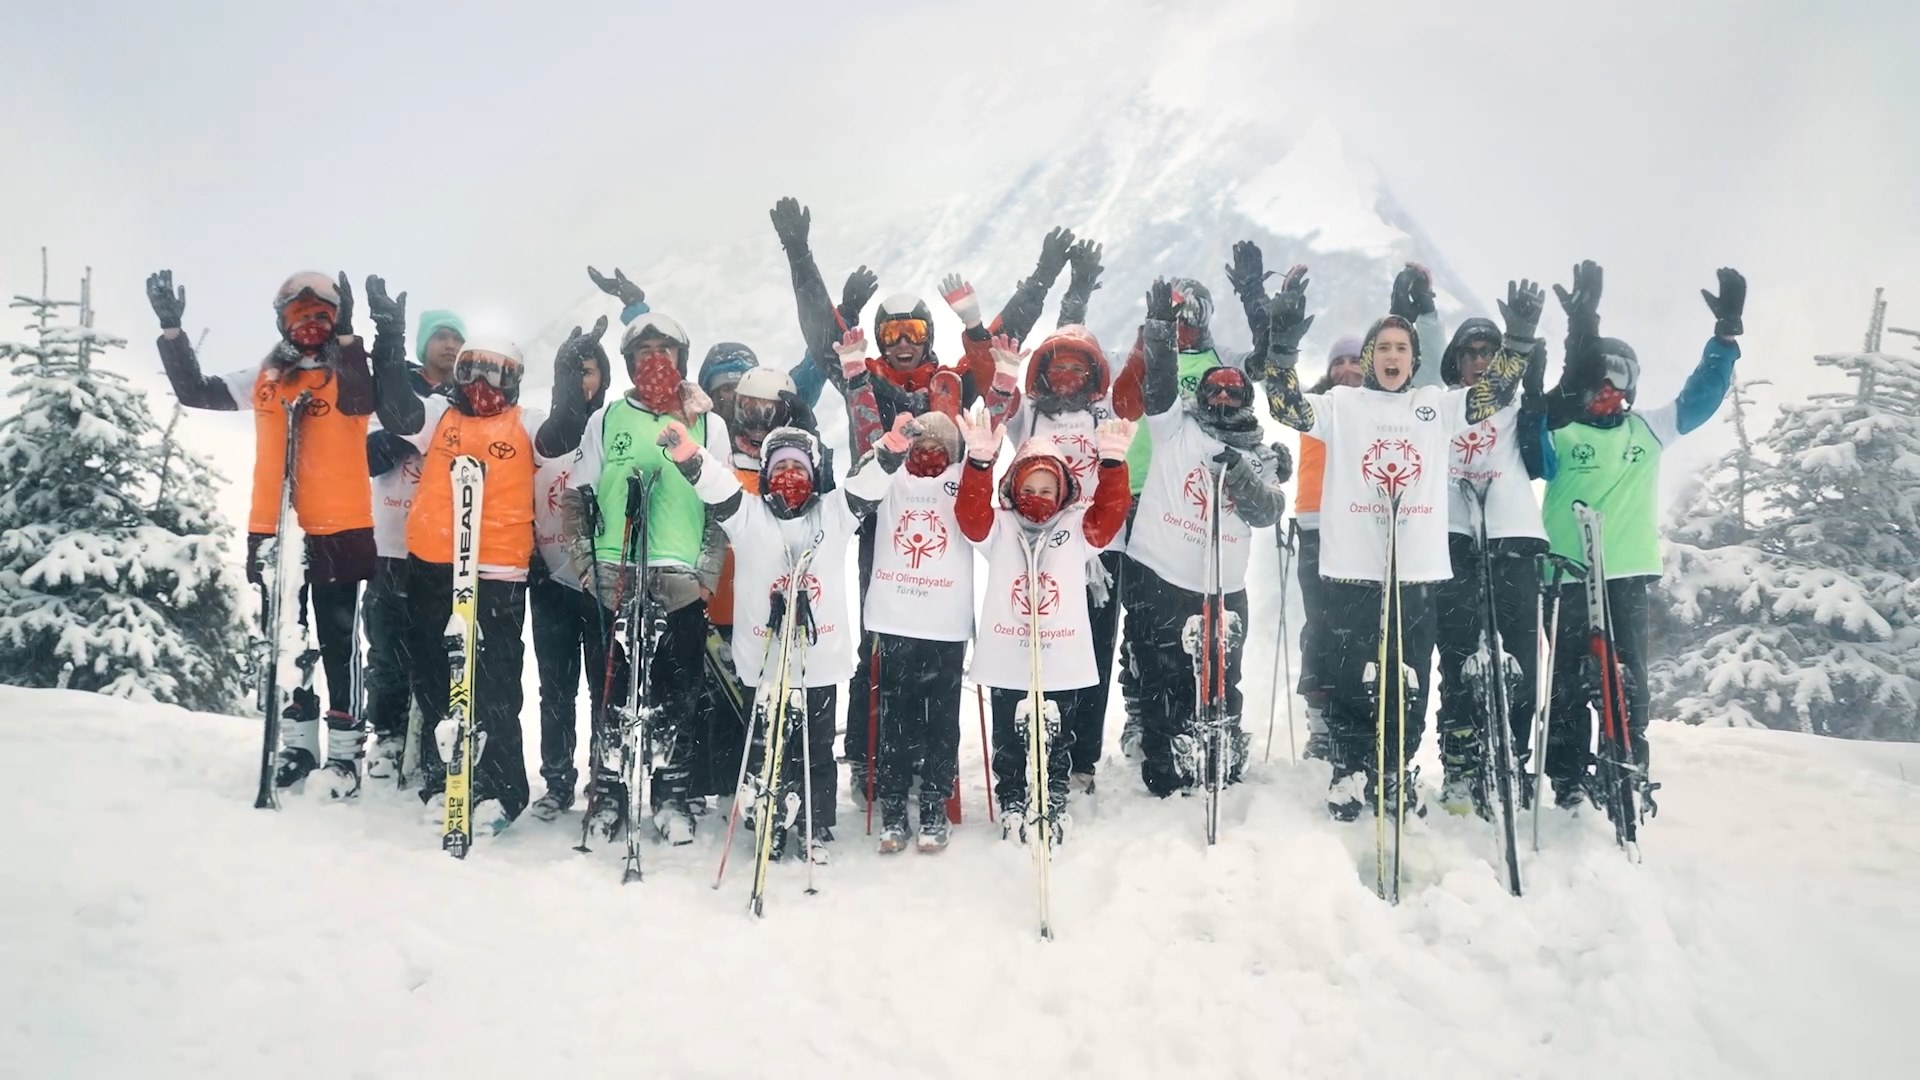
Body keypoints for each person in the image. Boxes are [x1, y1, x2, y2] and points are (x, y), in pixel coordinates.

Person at [1259, 267, 1538, 820]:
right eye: (1382, 347)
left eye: (1401, 348)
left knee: (1407, 675)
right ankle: (1349, 768)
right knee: (1346, 671)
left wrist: (1520, 340)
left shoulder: (1435, 406)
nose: (1391, 356)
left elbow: (1496, 393)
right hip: (1351, 566)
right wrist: (1282, 346)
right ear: (1368, 359)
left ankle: (1396, 769)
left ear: (1413, 359)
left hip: (1415, 570)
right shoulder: (1342, 406)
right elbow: (1284, 405)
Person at [146, 268, 377, 796]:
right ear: (282, 320)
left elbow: (364, 402)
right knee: (285, 643)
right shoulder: (266, 377)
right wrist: (172, 333)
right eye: (300, 315)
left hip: (339, 528)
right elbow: (195, 392)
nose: (311, 325)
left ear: (338, 319)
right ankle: (298, 744)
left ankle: (344, 754)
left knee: (340, 641)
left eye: (323, 315)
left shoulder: (349, 373)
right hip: (274, 526)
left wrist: (350, 340)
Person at [1537, 263, 1745, 809]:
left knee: (1628, 683)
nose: (1610, 389)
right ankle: (1565, 778)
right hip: (1564, 573)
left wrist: (1724, 337)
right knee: (1563, 685)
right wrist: (1576, 336)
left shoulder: (1647, 430)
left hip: (1625, 574)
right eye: (1600, 376)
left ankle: (1626, 769)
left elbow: (1701, 396)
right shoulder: (1560, 430)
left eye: (1622, 377)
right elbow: (1526, 435)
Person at [660, 416, 901, 863]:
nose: (790, 478)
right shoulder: (748, 514)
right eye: (780, 469)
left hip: (819, 658)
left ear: (814, 477)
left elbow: (866, 487)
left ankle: (815, 823)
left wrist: (890, 452)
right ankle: (765, 819)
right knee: (764, 744)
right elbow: (717, 485)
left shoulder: (831, 513)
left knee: (815, 746)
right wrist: (690, 457)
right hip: (764, 659)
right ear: (766, 475)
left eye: (800, 470)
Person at [367, 282, 553, 832]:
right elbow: (395, 409)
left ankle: (501, 788)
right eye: (471, 370)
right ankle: (444, 776)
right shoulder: (437, 417)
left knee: (494, 681)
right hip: (432, 563)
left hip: (496, 569)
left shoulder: (526, 421)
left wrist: (568, 375)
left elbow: (567, 430)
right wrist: (389, 338)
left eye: (495, 373)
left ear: (514, 378)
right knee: (434, 673)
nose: (480, 384)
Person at [554, 310, 731, 845]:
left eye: (666, 352)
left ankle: (673, 796)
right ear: (630, 363)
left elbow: (722, 505)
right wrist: (584, 563)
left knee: (679, 691)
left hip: (679, 578)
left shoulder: (708, 422)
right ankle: (608, 794)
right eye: (645, 353)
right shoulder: (606, 419)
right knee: (612, 691)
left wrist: (706, 574)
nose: (656, 363)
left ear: (681, 358)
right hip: (616, 572)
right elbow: (577, 495)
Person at [1122, 279, 1289, 797]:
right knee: (1162, 671)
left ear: (1244, 398)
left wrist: (1240, 472)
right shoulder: (1176, 425)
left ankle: (1219, 749)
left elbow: (1267, 512)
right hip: (1163, 573)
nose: (1218, 395)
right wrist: (1159, 329)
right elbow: (1160, 382)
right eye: (1212, 389)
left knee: (1221, 673)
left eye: (1231, 391)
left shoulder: (1258, 452)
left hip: (1222, 583)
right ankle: (1165, 758)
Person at [956, 396, 1134, 845]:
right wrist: (979, 465)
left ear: (1063, 493)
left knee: (1058, 729)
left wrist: (1111, 464)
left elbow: (1109, 517)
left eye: (1047, 491)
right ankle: (1013, 793)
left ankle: (1053, 788)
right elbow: (971, 520)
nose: (1037, 500)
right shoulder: (1000, 528)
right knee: (1009, 732)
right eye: (1029, 491)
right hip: (1008, 651)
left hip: (1060, 653)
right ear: (1014, 489)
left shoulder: (1075, 528)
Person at [997, 241, 1125, 792]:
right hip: (1032, 547)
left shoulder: (1106, 409)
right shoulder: (1029, 415)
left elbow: (1077, 342)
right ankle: (1029, 749)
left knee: (1091, 652)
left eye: (1079, 367)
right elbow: (1009, 378)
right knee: (1035, 651)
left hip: (1095, 546)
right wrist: (1067, 291)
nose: (1068, 375)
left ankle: (1081, 758)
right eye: (1059, 368)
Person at [1430, 318, 1551, 816]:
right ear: (1456, 361)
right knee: (1457, 653)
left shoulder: (1518, 404)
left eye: (1489, 352)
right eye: (1471, 352)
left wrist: (1538, 394)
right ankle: (1460, 760)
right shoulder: (1439, 406)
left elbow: (1543, 462)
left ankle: (1512, 758)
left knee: (1520, 659)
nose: (1480, 361)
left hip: (1514, 535)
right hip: (1452, 535)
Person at [362, 308, 465, 780]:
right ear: (423, 344)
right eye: (440, 337)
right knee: (385, 647)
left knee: (433, 652)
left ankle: (430, 744)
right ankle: (386, 735)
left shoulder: (467, 400)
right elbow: (370, 455)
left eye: (456, 338)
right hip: (387, 540)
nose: (449, 345)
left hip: (440, 547)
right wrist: (420, 425)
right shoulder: (394, 392)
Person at [526, 323, 613, 821]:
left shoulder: (616, 425)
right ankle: (557, 782)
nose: (584, 379)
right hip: (552, 581)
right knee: (555, 690)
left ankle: (605, 780)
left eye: (590, 370)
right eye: (575, 371)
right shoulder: (543, 431)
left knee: (605, 689)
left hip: (602, 582)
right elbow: (561, 434)